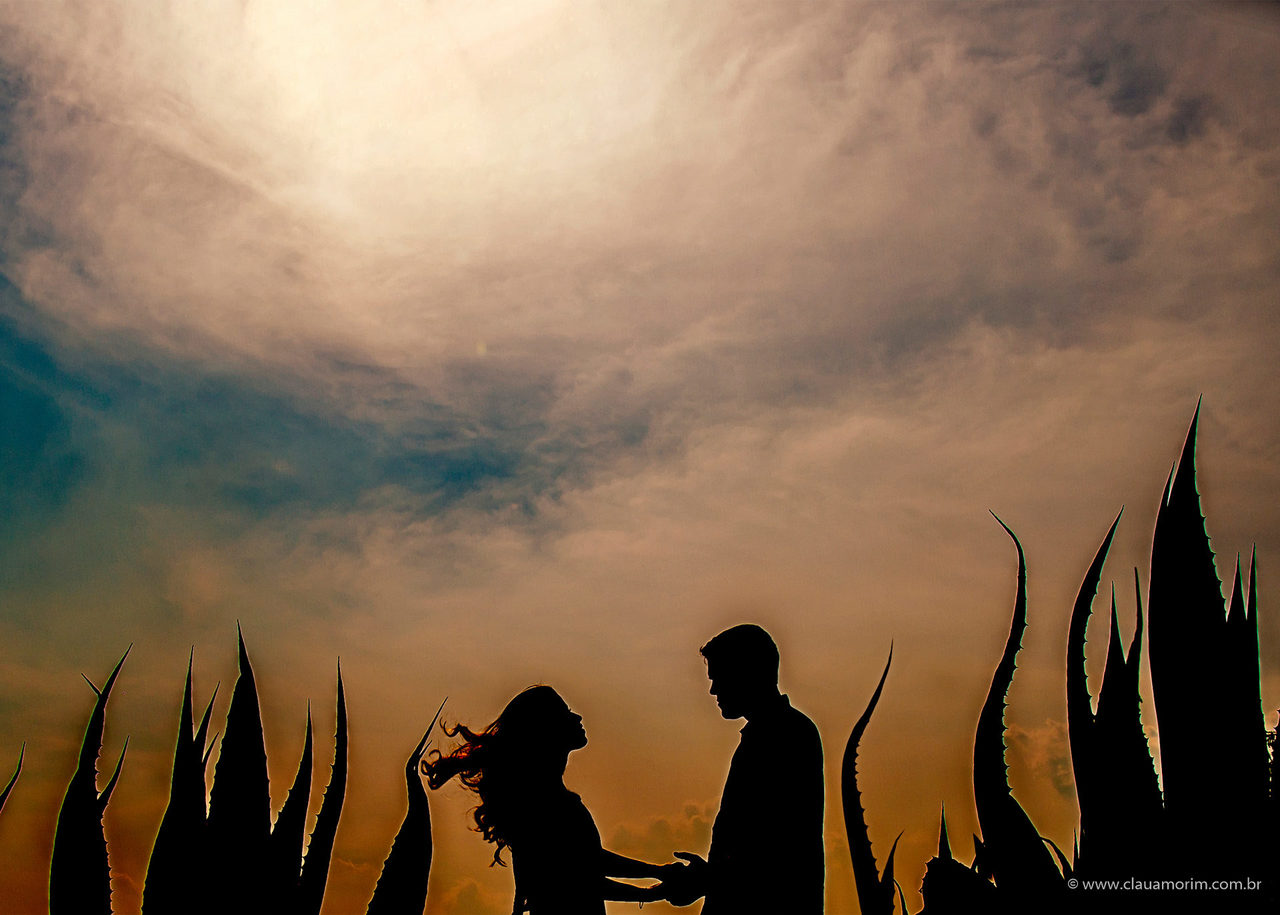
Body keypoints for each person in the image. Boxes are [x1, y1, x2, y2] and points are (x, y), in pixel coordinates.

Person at [423, 685, 675, 915]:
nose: (577, 717)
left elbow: (589, 863)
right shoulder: (546, 805)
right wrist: (651, 891)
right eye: (565, 713)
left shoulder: (545, 800)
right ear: (545, 729)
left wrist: (657, 873)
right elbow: (580, 879)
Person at [662, 624, 825, 913]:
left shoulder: (785, 736)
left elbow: (775, 846)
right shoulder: (775, 734)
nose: (713, 690)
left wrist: (708, 879)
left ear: (747, 673)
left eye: (719, 678)